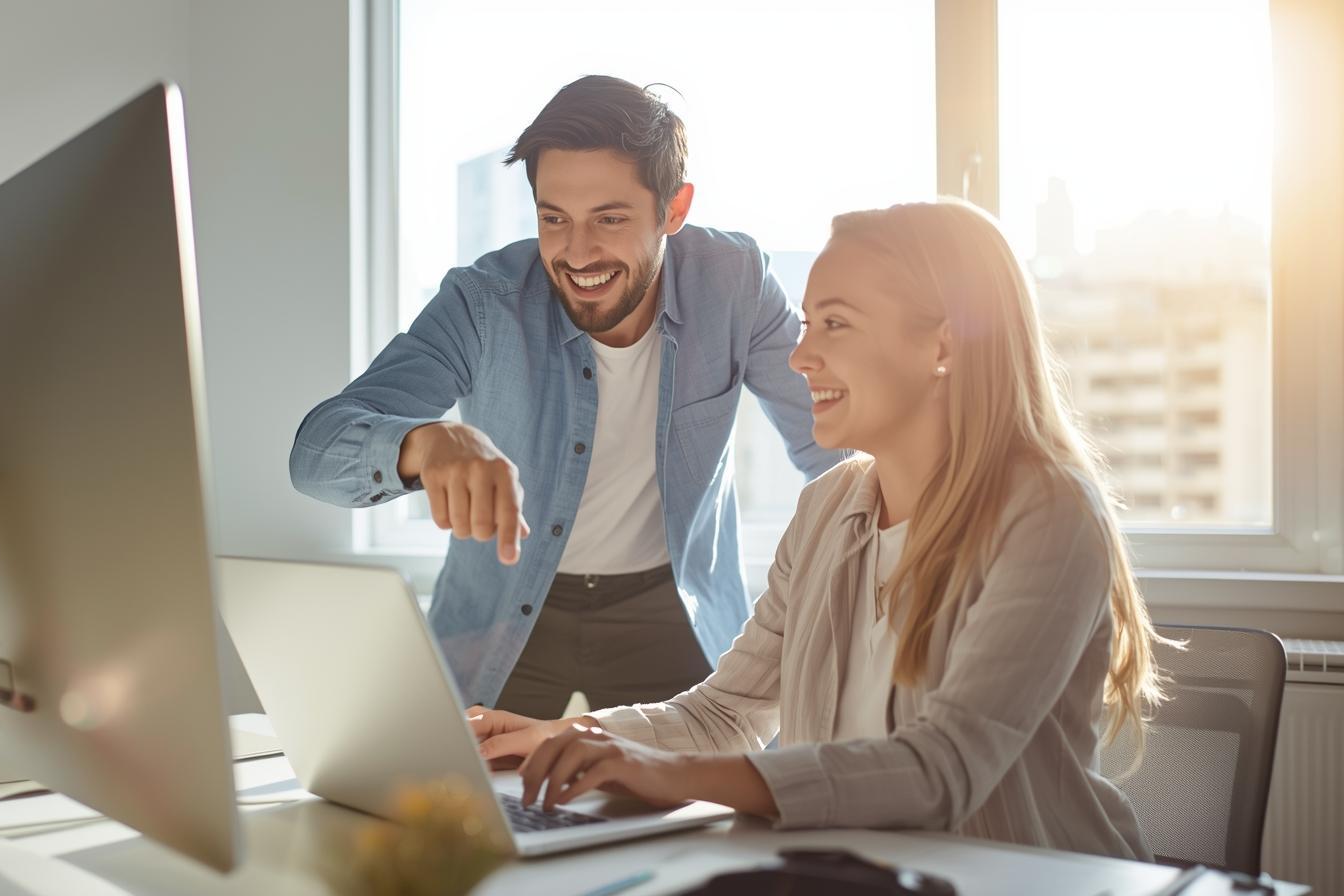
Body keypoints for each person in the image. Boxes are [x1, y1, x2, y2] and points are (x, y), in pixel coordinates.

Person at [469, 199, 1171, 860]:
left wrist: (666, 774)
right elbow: (725, 714)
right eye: (806, 324)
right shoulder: (828, 508)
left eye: (835, 324)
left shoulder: (1047, 513)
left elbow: (941, 770)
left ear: (945, 343)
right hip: (860, 873)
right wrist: (568, 737)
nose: (800, 358)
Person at [289, 76, 842, 714]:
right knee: (452, 780)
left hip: (670, 610)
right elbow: (314, 455)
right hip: (505, 613)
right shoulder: (483, 301)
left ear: (673, 209)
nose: (578, 254)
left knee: (717, 776)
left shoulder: (736, 284)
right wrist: (424, 443)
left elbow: (834, 446)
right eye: (555, 219)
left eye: (609, 219)